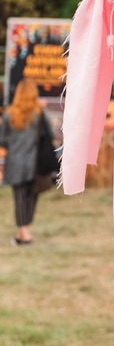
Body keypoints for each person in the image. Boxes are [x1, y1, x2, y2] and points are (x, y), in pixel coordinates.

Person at [0, 78, 57, 245]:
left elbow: (2, 140)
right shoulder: (38, 114)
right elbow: (51, 136)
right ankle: (24, 232)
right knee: (32, 196)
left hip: (15, 163)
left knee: (19, 197)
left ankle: (23, 232)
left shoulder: (10, 114)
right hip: (35, 164)